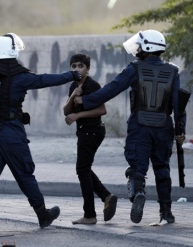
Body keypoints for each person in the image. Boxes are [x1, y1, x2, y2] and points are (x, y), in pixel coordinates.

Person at [0, 33, 81, 232]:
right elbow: (45, 80)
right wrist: (72, 75)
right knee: (25, 174)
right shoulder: (19, 76)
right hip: (11, 134)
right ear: (11, 53)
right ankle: (42, 214)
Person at [74, 30, 187, 224]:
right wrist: (180, 130)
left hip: (140, 126)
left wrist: (85, 100)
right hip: (164, 126)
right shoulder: (173, 71)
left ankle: (139, 193)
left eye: (140, 45)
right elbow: (179, 105)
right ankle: (166, 213)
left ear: (147, 48)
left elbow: (111, 89)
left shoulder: (135, 68)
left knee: (137, 168)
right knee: (162, 168)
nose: (137, 49)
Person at [63, 54, 117, 225]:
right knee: (83, 168)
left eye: (81, 66)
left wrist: (78, 114)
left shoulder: (93, 86)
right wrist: (73, 96)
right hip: (83, 131)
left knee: (82, 169)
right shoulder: (74, 85)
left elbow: (102, 110)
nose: (77, 69)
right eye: (74, 66)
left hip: (93, 131)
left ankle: (90, 214)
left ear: (88, 68)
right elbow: (66, 111)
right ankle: (106, 196)